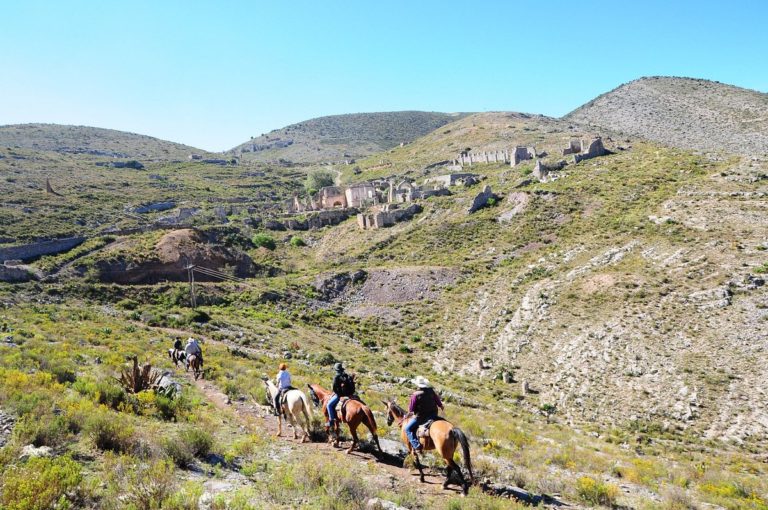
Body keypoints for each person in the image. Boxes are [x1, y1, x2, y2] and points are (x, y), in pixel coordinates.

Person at [404, 376, 444, 453]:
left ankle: (417, 446)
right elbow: (438, 401)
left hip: (420, 417)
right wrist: (441, 406)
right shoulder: (431, 391)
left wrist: (408, 414)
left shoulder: (415, 395)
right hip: (433, 415)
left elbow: (411, 409)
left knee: (407, 429)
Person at [327, 362, 354, 427]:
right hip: (349, 394)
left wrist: (339, 395)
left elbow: (334, 388)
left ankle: (331, 421)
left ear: (336, 370)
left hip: (339, 395)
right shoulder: (345, 375)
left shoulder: (336, 377)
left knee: (329, 405)